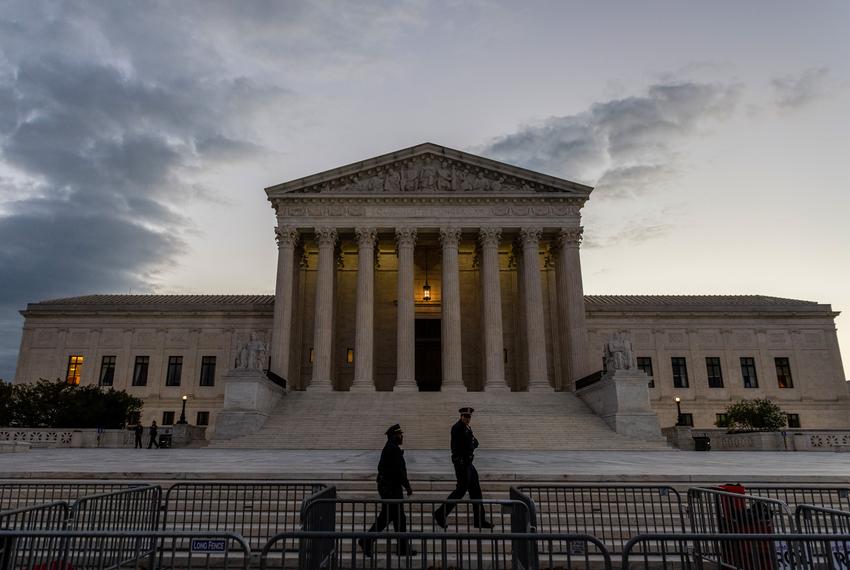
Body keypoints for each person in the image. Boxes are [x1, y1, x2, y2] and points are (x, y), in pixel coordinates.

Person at [358, 424, 416, 558]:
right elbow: (399, 472)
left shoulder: (390, 448)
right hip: (391, 490)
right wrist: (407, 487)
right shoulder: (392, 449)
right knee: (391, 518)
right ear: (394, 436)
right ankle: (366, 540)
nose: (402, 436)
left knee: (396, 518)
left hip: (389, 488)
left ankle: (400, 548)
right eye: (400, 434)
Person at [433, 407, 493, 529]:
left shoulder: (467, 428)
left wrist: (471, 444)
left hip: (469, 464)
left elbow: (476, 442)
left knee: (476, 491)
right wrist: (470, 445)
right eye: (465, 416)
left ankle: (479, 520)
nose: (467, 418)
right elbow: (462, 446)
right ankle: (440, 514)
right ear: (461, 416)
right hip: (462, 464)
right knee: (460, 490)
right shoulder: (457, 428)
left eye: (469, 417)